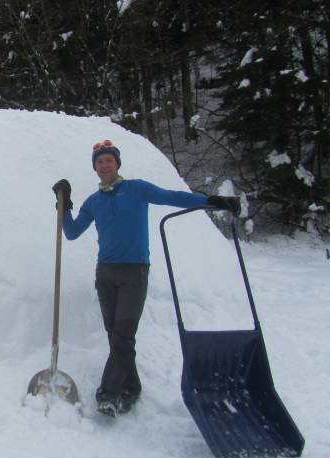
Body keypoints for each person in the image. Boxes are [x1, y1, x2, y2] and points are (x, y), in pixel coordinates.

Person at [52, 139, 239, 417]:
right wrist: (64, 205)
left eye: (109, 160)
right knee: (116, 336)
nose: (105, 165)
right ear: (95, 168)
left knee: (123, 335)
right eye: (100, 162)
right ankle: (132, 388)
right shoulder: (93, 202)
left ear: (117, 164)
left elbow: (173, 196)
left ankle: (109, 395)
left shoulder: (137, 189)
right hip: (105, 273)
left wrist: (211, 201)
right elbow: (72, 232)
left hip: (134, 272)